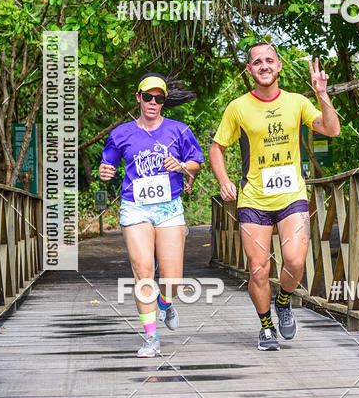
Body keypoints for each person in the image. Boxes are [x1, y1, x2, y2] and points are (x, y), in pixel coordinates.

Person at [209, 42, 340, 350]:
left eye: (269, 60)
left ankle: (284, 301)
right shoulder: (238, 107)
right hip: (253, 198)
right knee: (258, 269)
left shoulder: (297, 102)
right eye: (257, 62)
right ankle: (266, 326)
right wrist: (224, 180)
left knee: (294, 261)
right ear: (249, 69)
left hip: (292, 195)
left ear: (279, 66)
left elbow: (332, 130)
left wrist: (321, 94)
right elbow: (217, 148)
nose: (264, 65)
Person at [98, 73, 204, 356]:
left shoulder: (179, 130)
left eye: (159, 98)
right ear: (138, 98)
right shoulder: (120, 133)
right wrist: (104, 172)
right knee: (143, 272)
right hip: (135, 208)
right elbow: (106, 166)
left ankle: (166, 304)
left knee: (172, 282)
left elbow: (196, 164)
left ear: (163, 102)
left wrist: (182, 165)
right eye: (148, 97)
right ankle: (150, 338)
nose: (153, 102)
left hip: (169, 208)